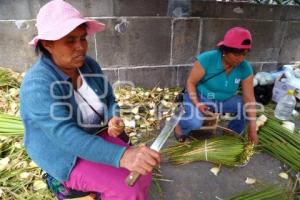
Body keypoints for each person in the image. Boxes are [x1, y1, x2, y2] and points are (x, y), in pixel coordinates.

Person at [20, 0, 160, 199]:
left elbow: (110, 98)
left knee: (142, 173)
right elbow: (66, 136)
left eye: (83, 38)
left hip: (97, 135)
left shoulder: (88, 66)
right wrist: (122, 156)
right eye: (70, 41)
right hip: (66, 154)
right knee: (127, 189)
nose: (80, 47)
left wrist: (114, 117)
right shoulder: (37, 84)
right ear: (48, 44)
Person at [174, 27, 258, 144]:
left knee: (246, 106)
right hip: (200, 96)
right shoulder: (207, 59)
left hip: (224, 100)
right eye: (236, 54)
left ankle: (231, 133)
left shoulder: (245, 67)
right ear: (225, 50)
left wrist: (253, 127)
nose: (240, 59)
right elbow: (191, 82)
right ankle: (180, 127)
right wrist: (197, 103)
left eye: (244, 54)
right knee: (194, 122)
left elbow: (249, 97)